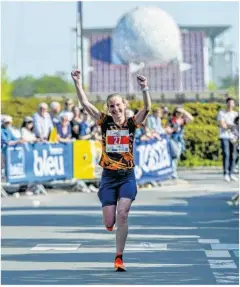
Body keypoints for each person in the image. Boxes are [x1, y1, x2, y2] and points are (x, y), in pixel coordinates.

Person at [71, 69, 151, 272]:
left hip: (127, 176)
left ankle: (119, 257)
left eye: (118, 105)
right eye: (111, 106)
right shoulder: (104, 121)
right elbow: (85, 105)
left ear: (124, 105)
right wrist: (78, 83)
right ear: (108, 108)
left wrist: (144, 88)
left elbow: (147, 107)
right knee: (110, 221)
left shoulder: (132, 123)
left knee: (122, 213)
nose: (115, 109)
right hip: (108, 177)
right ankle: (109, 222)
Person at [167, 107, 194, 179]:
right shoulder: (171, 120)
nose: (179, 114)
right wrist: (172, 129)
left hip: (179, 140)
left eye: (180, 113)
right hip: (172, 139)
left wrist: (184, 111)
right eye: (177, 112)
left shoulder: (182, 120)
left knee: (177, 156)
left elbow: (191, 118)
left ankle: (173, 171)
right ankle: (173, 172)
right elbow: (168, 129)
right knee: (173, 156)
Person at [217, 97, 238, 182]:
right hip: (224, 136)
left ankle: (231, 173)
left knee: (234, 155)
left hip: (234, 137)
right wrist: (231, 126)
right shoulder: (222, 113)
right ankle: (226, 173)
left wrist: (231, 126)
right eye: (229, 103)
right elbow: (223, 125)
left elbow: (237, 126)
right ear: (226, 104)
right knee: (226, 154)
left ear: (234, 104)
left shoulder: (236, 114)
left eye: (232, 103)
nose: (230, 104)